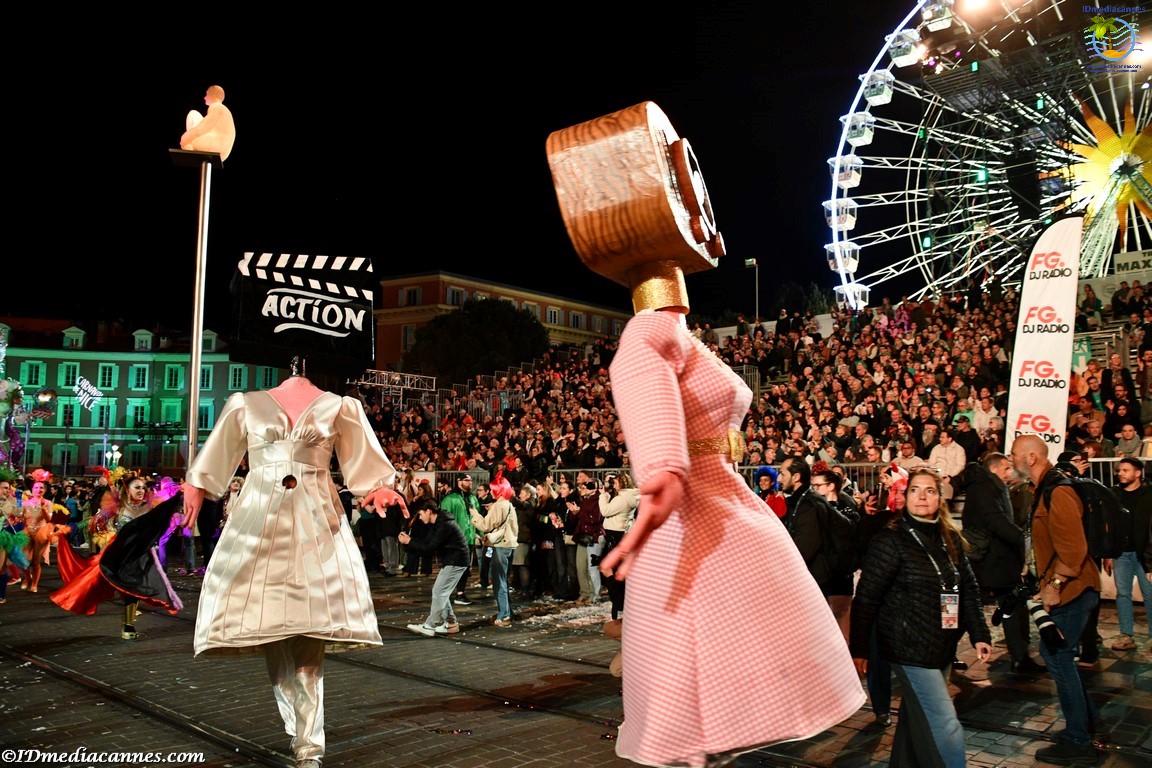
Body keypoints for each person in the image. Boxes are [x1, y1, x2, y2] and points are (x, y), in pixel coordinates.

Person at [557, 101, 862, 768]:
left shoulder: (678, 332)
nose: (705, 216)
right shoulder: (652, 330)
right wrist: (663, 474)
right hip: (696, 510)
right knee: (702, 682)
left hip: (716, 502)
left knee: (717, 681)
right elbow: (638, 376)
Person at [180, 360, 398, 768]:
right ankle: (301, 731)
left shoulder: (339, 406)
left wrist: (379, 487)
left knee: (309, 634)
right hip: (260, 524)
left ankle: (309, 745)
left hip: (316, 524)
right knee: (272, 629)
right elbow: (218, 453)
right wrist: (197, 483)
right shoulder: (246, 403)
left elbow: (364, 459)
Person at [850, 469, 993, 767]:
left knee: (916, 716)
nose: (922, 497)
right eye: (915, 490)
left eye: (930, 490)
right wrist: (860, 648)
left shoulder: (949, 538)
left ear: (940, 498)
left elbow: (968, 588)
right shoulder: (891, 540)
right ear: (905, 496)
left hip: (941, 644)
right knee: (944, 723)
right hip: (907, 646)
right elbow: (866, 598)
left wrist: (980, 633)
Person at [1010, 434, 1102, 765]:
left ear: (1031, 458)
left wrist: (1053, 585)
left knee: (1057, 657)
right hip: (1068, 589)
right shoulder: (1041, 489)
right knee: (1059, 657)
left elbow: (1074, 551)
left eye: (1014, 454)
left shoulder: (1058, 490)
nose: (1011, 459)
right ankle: (1084, 725)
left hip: (1074, 591)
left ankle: (1079, 741)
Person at [962, 452, 1045, 675]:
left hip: (996, 558)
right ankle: (1019, 658)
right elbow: (996, 521)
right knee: (969, 608)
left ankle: (1020, 657)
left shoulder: (990, 486)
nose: (1009, 472)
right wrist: (1023, 539)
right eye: (1006, 468)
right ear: (994, 469)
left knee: (1010, 605)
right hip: (990, 559)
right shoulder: (984, 488)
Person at [400, 498, 467, 636]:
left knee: (439, 591)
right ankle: (451, 623)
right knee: (441, 592)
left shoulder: (444, 524)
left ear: (429, 511)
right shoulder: (438, 523)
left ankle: (430, 625)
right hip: (453, 559)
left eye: (420, 514)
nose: (420, 517)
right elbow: (426, 544)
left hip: (456, 560)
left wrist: (410, 541)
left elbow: (429, 546)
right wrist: (409, 542)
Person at [1107, 457, 1152, 651]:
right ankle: (1126, 635)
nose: (1120, 473)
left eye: (1125, 470)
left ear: (1138, 473)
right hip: (1121, 553)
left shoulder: (1149, 494)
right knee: (1123, 594)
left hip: (1145, 554)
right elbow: (1109, 524)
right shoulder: (1114, 493)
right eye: (1120, 470)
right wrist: (1108, 553)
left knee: (1149, 595)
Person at [469, 473, 518, 627]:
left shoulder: (498, 506)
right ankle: (508, 612)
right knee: (504, 580)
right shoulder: (509, 504)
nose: (490, 492)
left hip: (500, 546)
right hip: (510, 545)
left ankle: (504, 615)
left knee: (499, 582)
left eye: (492, 489)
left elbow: (485, 525)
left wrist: (475, 515)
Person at [599, 472, 640, 621]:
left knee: (609, 570)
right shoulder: (631, 496)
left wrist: (603, 496)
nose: (614, 486)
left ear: (622, 483)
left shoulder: (622, 498)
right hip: (618, 535)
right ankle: (619, 604)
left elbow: (605, 511)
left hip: (615, 537)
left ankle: (618, 602)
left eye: (616, 483)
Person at [439, 474, 479, 605]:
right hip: (454, 540)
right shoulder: (450, 499)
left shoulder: (473, 498)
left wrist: (479, 533)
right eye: (467, 480)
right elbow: (444, 519)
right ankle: (445, 592)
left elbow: (477, 517)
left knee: (465, 568)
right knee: (452, 567)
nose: (470, 482)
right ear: (459, 481)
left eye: (471, 480)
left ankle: (460, 593)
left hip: (469, 538)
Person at [180, 84, 236, 161]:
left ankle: (191, 146)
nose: (205, 97)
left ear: (213, 95)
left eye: (207, 94)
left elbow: (201, 129)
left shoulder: (216, 107)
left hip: (215, 146)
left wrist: (184, 139)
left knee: (193, 114)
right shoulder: (225, 111)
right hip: (224, 153)